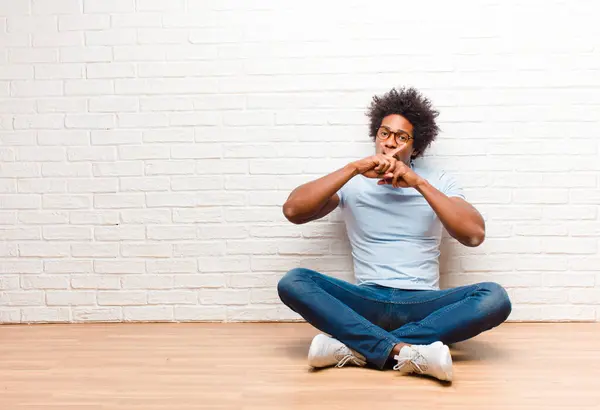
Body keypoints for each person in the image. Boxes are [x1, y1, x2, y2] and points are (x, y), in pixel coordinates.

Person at [277, 87, 512, 382]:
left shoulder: (437, 180)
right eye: (384, 133)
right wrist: (352, 169)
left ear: (416, 146)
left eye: (402, 137)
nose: (390, 143)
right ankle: (406, 352)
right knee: (294, 281)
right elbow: (293, 211)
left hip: (422, 305)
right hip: (366, 300)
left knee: (495, 298)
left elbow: (474, 235)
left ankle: (358, 346)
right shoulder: (354, 182)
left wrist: (418, 183)